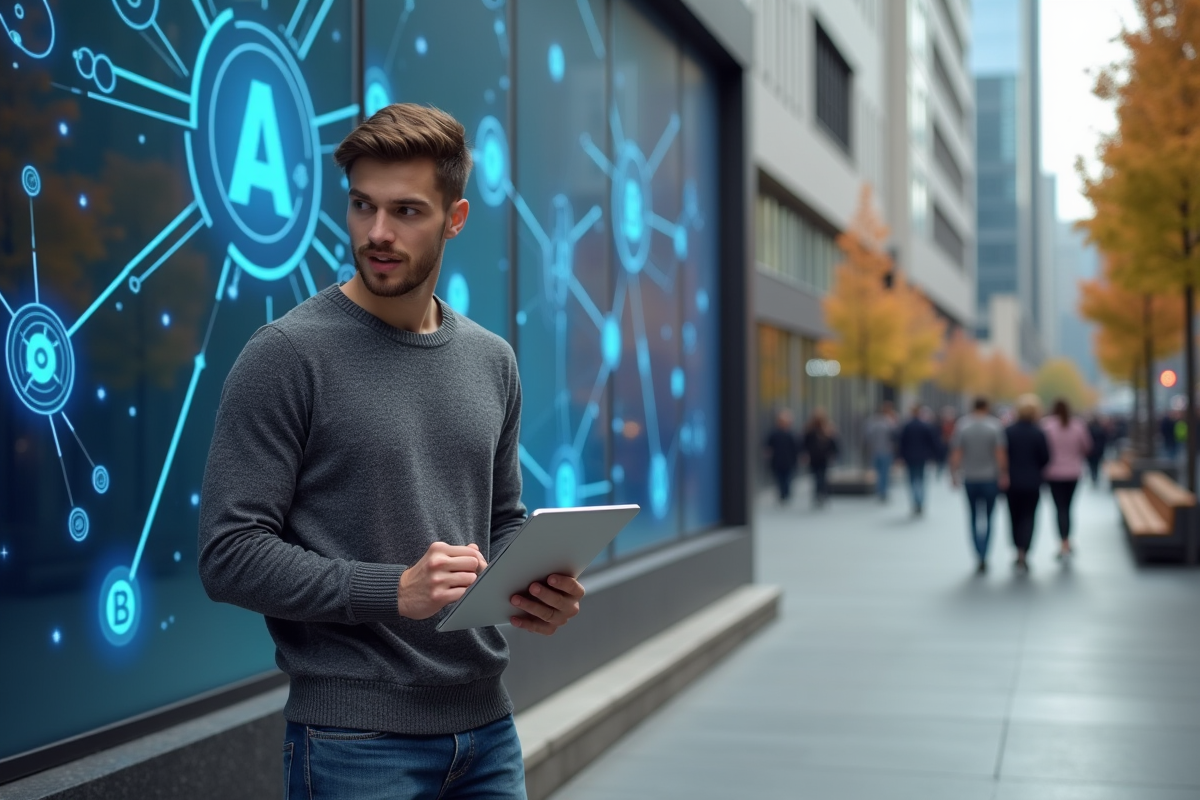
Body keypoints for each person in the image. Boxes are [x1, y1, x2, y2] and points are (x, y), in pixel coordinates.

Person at [198, 104, 579, 799]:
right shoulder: (286, 356)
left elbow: (499, 518)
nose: (377, 233)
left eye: (406, 211)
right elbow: (228, 554)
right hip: (352, 743)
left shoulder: (491, 360)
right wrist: (391, 590)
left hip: (488, 732)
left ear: (455, 218)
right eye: (362, 207)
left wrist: (530, 585)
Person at [949, 397, 1008, 573]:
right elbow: (999, 453)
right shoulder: (995, 426)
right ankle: (985, 553)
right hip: (990, 477)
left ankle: (977, 552)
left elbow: (957, 453)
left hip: (971, 477)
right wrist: (1004, 473)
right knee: (989, 517)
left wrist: (954, 474)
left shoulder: (963, 425)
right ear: (987, 406)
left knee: (974, 516)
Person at [1043, 398, 1093, 560]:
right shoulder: (1077, 426)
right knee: (1068, 507)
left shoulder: (1047, 426)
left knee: (1059, 508)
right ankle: (1067, 541)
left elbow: (1041, 449)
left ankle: (1062, 542)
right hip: (1073, 472)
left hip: (1053, 473)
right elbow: (1087, 447)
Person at [1006, 395, 1050, 572]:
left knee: (1014, 516)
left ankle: (1017, 550)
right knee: (1029, 516)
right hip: (1033, 481)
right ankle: (1025, 550)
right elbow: (1046, 457)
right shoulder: (1038, 433)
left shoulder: (1008, 431)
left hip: (1012, 481)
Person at [897, 404, 939, 516]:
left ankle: (916, 502)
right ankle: (920, 501)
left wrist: (900, 456)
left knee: (912, 480)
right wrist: (934, 456)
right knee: (921, 479)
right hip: (922, 457)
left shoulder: (907, 426)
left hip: (910, 457)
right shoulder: (925, 426)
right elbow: (932, 442)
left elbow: (902, 443)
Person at [803, 409, 839, 508]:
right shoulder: (811, 430)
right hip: (818, 457)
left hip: (821, 457)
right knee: (819, 477)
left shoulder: (827, 429)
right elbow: (805, 443)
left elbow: (833, 443)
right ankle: (820, 494)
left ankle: (821, 494)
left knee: (820, 476)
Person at [863, 401, 898, 502]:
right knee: (884, 473)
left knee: (879, 472)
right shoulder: (889, 422)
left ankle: (880, 490)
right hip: (886, 451)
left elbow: (867, 437)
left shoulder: (871, 422)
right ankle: (883, 491)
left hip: (875, 451)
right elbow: (894, 436)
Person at [765, 409, 800, 503]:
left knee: (787, 478)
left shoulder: (791, 434)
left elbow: (796, 447)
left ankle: (786, 493)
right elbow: (769, 446)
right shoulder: (774, 434)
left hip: (787, 460)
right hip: (778, 460)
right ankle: (783, 493)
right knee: (780, 478)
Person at [1086, 414, 1109, 486]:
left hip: (1091, 451)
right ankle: (1095, 476)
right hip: (1098, 451)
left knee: (1092, 465)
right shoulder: (1101, 430)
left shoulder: (1089, 430)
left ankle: (1093, 476)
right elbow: (1104, 441)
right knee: (1096, 465)